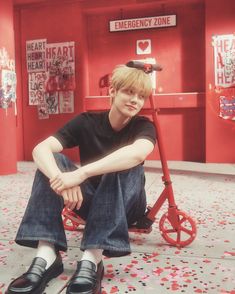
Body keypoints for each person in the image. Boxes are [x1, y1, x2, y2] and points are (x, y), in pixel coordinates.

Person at [6, 63, 157, 294]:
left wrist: (79, 174)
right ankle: (47, 254)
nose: (135, 100)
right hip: (88, 203)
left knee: (124, 163)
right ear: (113, 91)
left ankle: (92, 257)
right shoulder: (87, 121)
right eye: (129, 92)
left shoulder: (143, 126)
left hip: (126, 207)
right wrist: (61, 179)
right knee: (51, 162)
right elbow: (41, 149)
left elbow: (138, 153)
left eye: (141, 96)